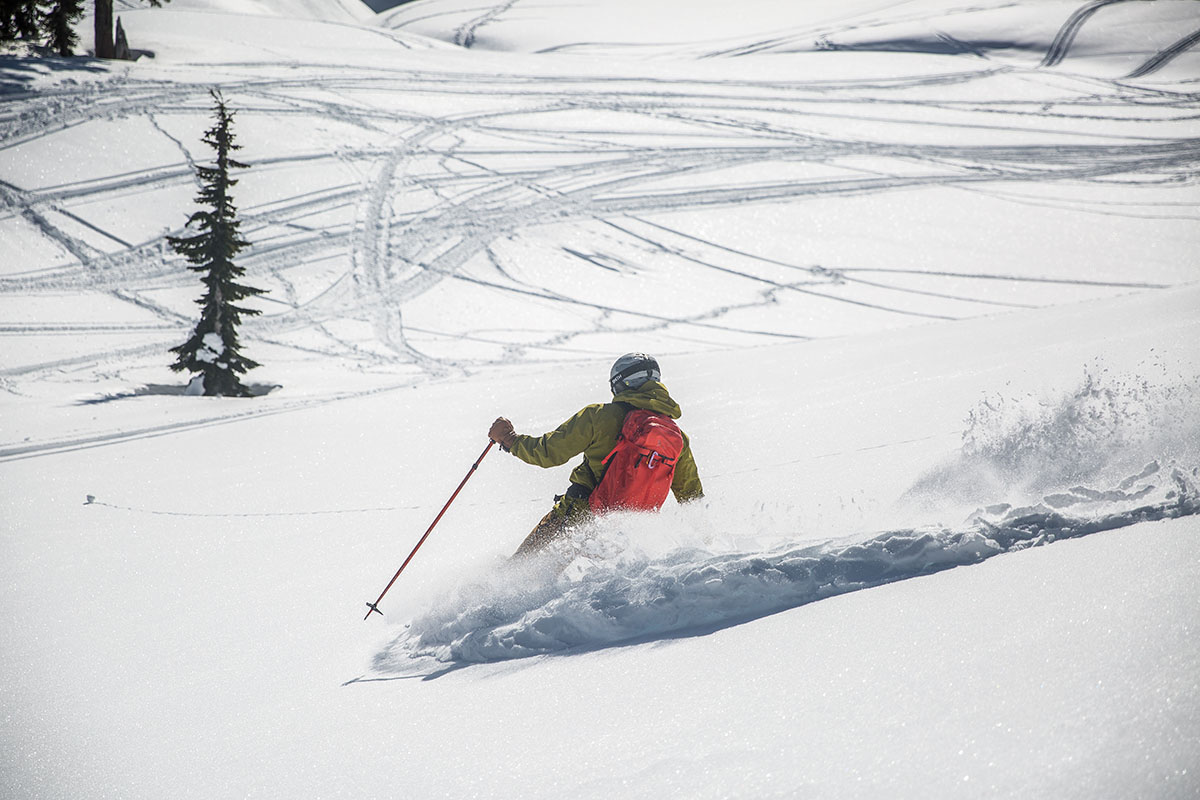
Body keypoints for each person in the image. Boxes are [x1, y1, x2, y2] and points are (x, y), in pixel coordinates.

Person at [488, 353, 703, 557]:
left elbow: (548, 453)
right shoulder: (676, 437)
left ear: (619, 384)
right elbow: (692, 499)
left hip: (575, 519)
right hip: (627, 538)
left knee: (520, 572)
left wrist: (509, 439)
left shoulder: (599, 417)